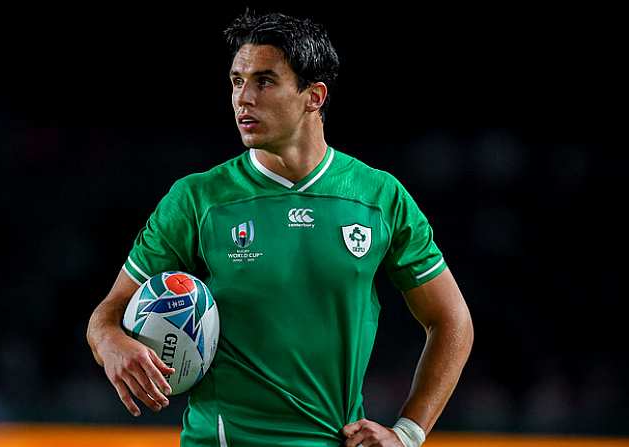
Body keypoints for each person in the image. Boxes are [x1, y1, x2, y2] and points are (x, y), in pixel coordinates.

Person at [87, 10, 473, 447]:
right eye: (237, 81)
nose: (243, 99)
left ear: (314, 96)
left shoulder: (380, 198)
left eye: (264, 81)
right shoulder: (197, 199)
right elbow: (106, 315)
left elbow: (452, 320)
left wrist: (407, 433)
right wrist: (112, 342)